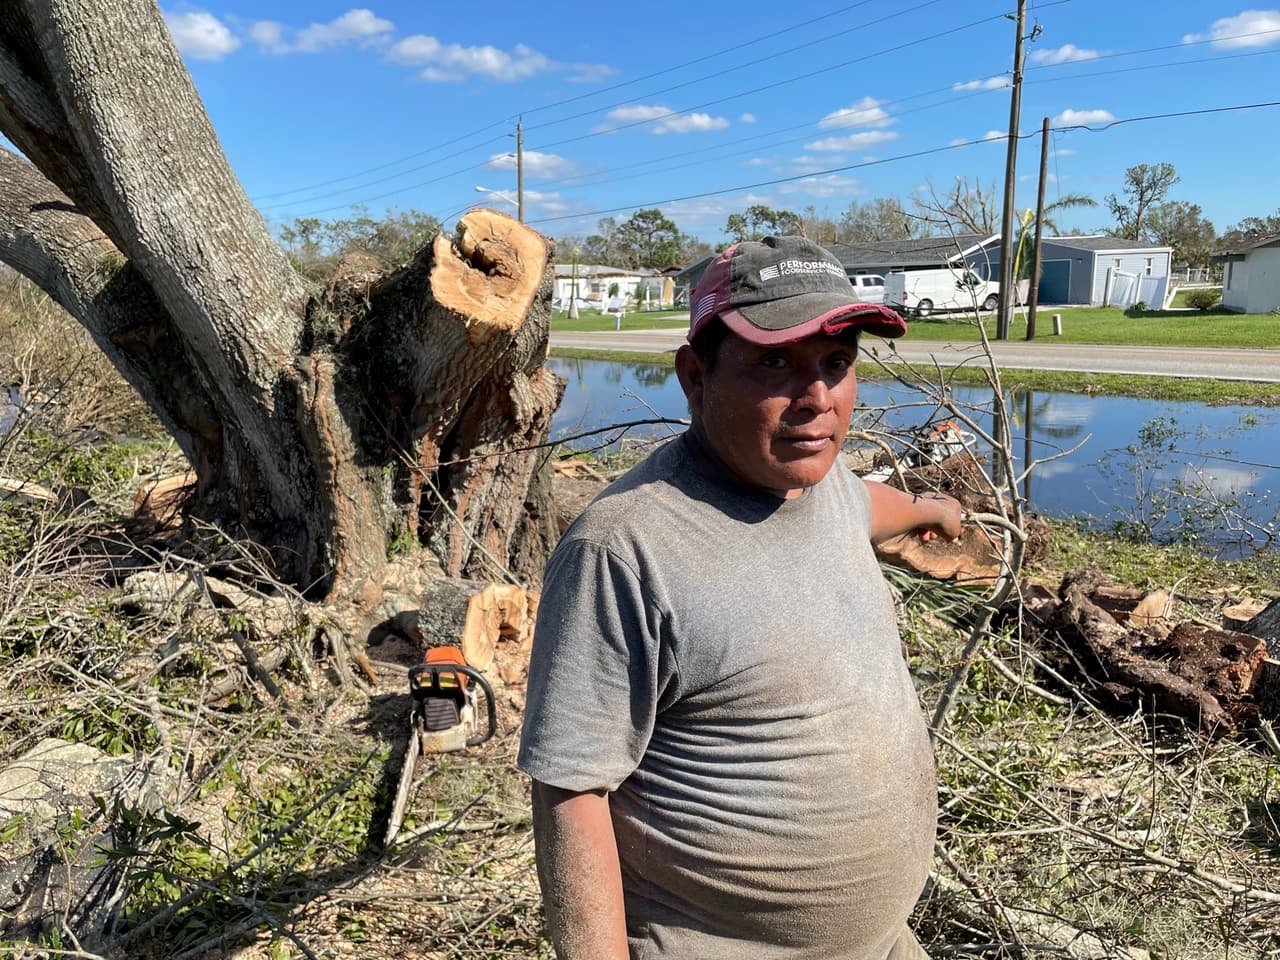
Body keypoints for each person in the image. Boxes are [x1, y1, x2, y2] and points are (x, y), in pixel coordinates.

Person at [518, 236, 964, 960]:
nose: (817, 397)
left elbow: (865, 505)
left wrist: (928, 509)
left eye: (837, 363)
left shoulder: (816, 485)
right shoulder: (626, 549)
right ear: (696, 377)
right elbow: (571, 792)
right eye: (775, 363)